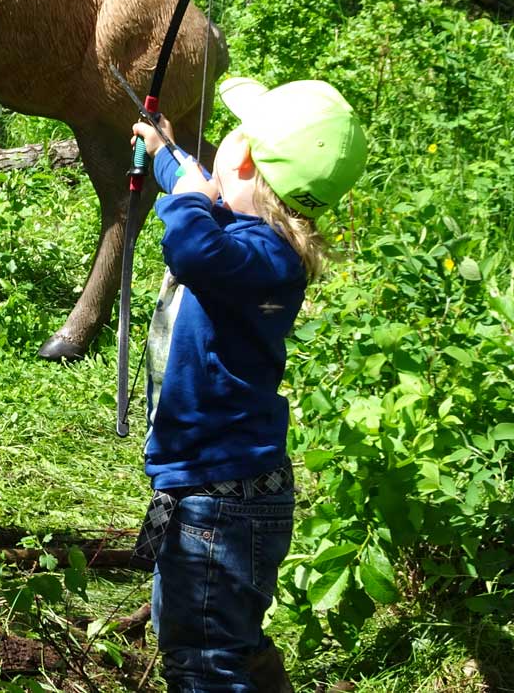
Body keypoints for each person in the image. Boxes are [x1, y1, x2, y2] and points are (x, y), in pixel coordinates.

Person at [128, 77, 368, 693]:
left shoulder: (260, 258)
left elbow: (194, 244)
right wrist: (166, 157)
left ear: (243, 159)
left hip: (221, 502)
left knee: (205, 663)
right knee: (212, 633)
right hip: (216, 495)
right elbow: (202, 206)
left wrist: (184, 191)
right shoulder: (255, 244)